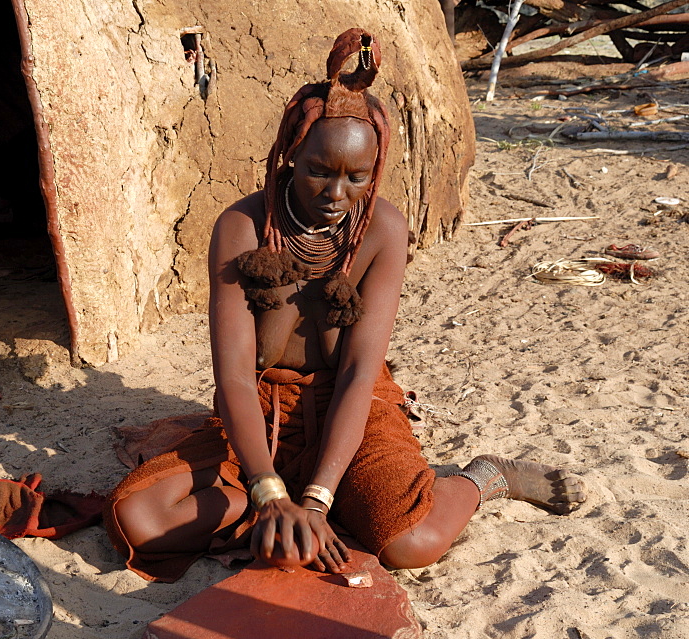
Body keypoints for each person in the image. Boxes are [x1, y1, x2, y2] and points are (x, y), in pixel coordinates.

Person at [103, 28, 586, 583]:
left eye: (357, 177)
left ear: (375, 170)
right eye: (319, 171)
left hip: (349, 407)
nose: (337, 193)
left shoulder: (383, 229)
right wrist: (266, 491)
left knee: (412, 541)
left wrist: (315, 500)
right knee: (140, 519)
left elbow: (358, 373)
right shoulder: (242, 226)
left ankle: (483, 478)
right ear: (290, 154)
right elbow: (233, 378)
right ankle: (261, 511)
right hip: (261, 407)